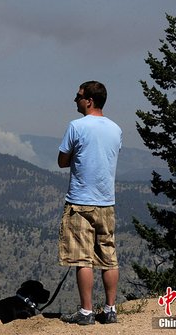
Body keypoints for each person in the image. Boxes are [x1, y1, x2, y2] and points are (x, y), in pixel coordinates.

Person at [57, 81, 122, 325]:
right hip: (107, 201)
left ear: (89, 101)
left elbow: (62, 161)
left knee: (82, 259)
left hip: (80, 201)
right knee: (109, 257)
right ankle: (110, 309)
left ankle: (86, 312)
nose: (75, 100)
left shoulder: (76, 127)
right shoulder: (116, 129)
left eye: (78, 96)